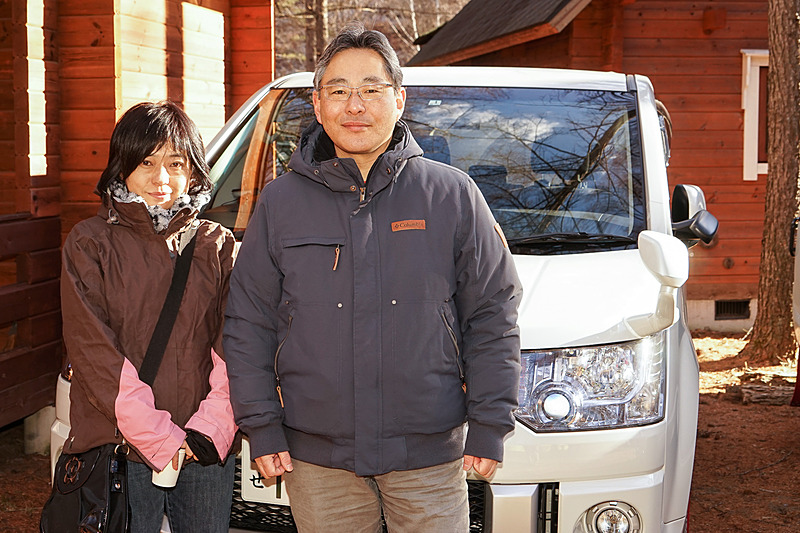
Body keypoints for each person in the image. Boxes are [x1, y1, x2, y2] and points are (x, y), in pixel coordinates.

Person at [224, 23, 522, 532]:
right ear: (318, 106)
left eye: (370, 89)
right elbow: (248, 322)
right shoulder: (280, 204)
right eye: (338, 91)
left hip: (427, 457)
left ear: (399, 100)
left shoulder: (451, 196)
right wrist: (262, 427)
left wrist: (490, 423)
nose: (354, 105)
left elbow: (493, 314)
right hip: (318, 461)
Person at [59, 101, 238, 532]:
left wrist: (210, 428)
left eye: (176, 163)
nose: (161, 178)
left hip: (201, 447)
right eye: (146, 162)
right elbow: (92, 350)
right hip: (121, 446)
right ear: (122, 168)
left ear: (194, 169)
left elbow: (239, 341)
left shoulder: (219, 245)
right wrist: (159, 436)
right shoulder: (89, 243)